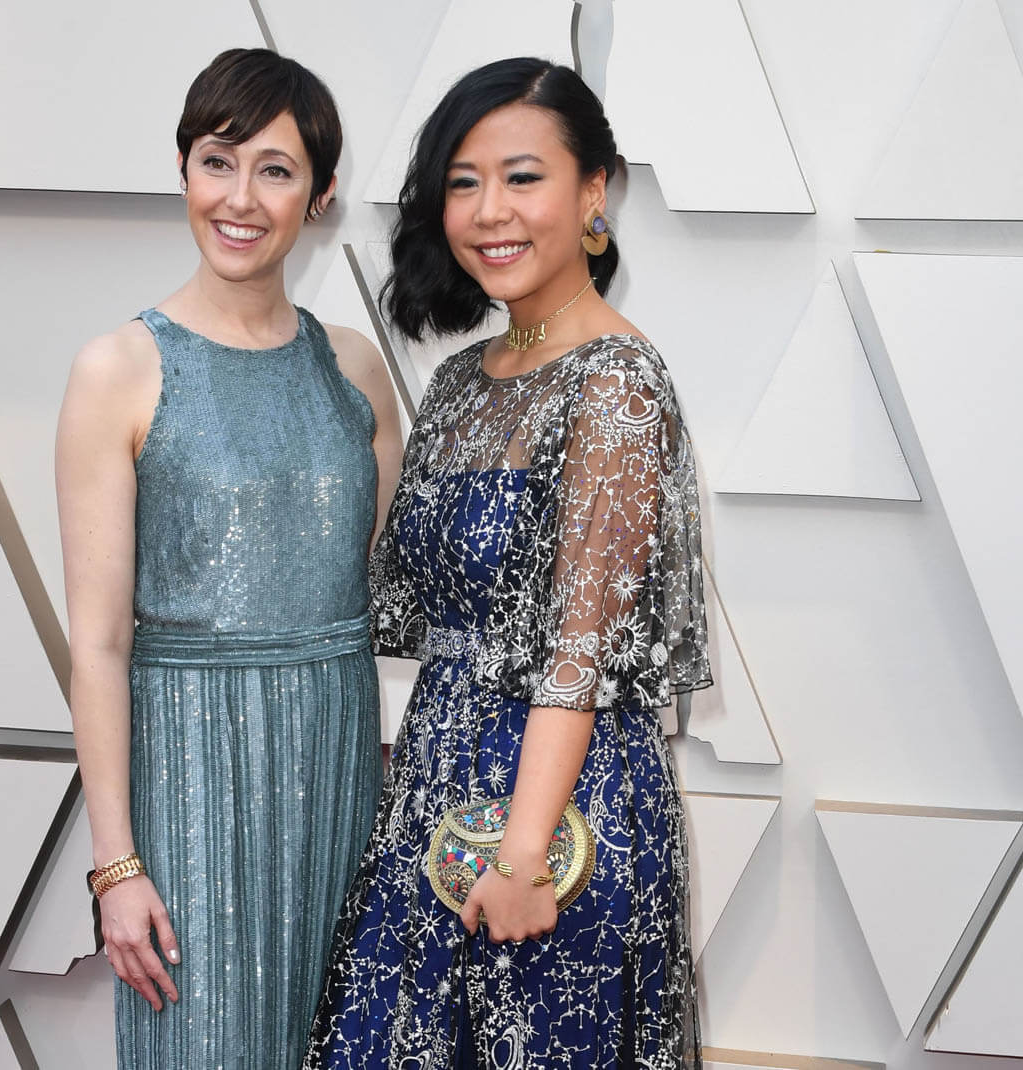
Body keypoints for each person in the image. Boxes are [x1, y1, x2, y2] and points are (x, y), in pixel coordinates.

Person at [304, 57, 712, 1069]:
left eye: (523, 177)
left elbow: (580, 647)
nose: (491, 210)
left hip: (560, 813)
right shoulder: (459, 380)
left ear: (594, 190)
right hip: (436, 796)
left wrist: (528, 853)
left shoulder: (616, 382)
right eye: (464, 182)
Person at [55, 48, 401, 1070]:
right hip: (188, 779)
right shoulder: (119, 369)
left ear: (321, 194)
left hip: (337, 776)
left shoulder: (355, 370)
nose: (239, 198)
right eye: (218, 161)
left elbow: (363, 582)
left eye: (275, 170)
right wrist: (116, 864)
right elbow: (99, 644)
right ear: (183, 170)